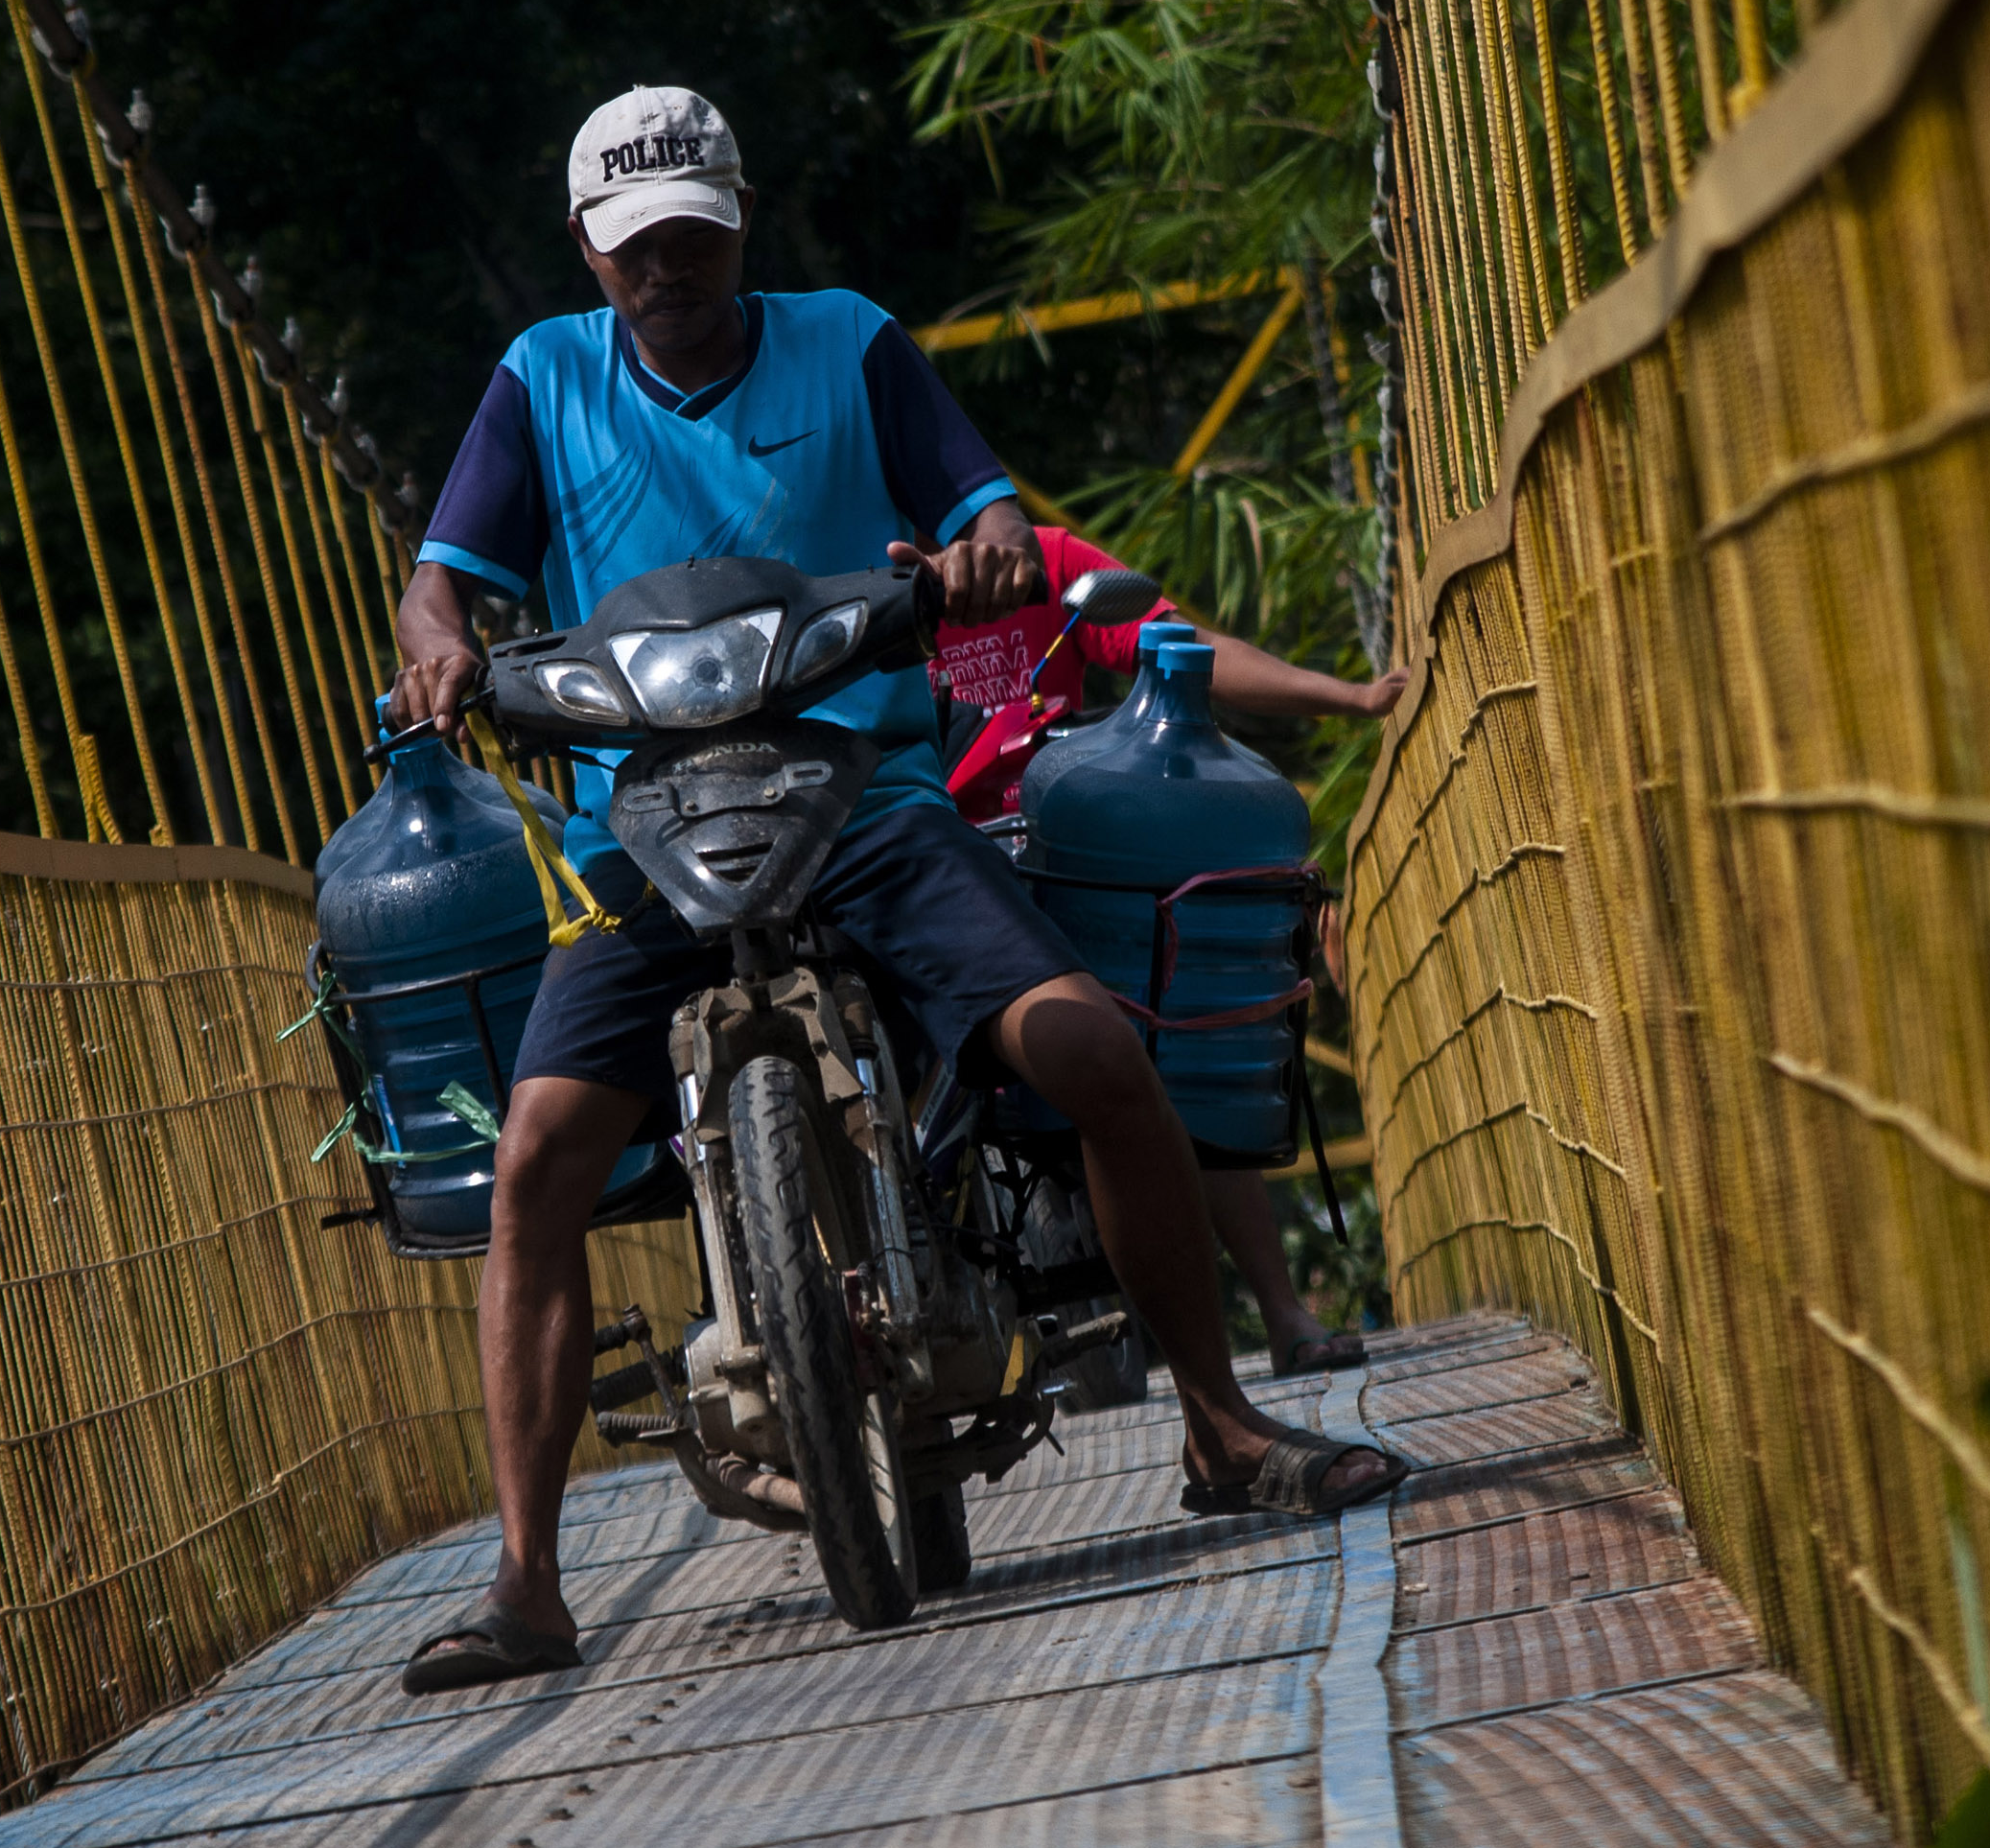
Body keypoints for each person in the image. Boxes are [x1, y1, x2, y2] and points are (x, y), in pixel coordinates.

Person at [385, 85, 1407, 1695]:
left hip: (861, 790)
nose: (668, 266)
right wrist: (437, 643)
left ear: (740, 224)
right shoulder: (542, 380)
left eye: (692, 236)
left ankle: (1218, 1421)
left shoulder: (848, 341)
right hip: (639, 821)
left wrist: (993, 540)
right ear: (587, 252)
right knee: (534, 1158)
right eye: (636, 244)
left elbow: (979, 497)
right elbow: (445, 570)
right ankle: (528, 1583)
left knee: (1088, 1049)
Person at [927, 521, 1403, 1376]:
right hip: (938, 877)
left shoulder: (1044, 564)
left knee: (1177, 1024)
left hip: (1066, 865)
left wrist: (1351, 696)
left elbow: (1182, 657)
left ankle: (1282, 1308)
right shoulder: (853, 590)